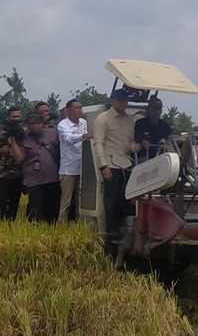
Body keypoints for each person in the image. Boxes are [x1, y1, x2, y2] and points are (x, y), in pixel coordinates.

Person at [92, 88, 145, 250]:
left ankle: (124, 229)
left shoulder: (130, 119)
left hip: (126, 163)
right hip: (111, 163)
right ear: (113, 100)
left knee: (128, 197)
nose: (124, 103)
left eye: (126, 100)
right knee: (112, 199)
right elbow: (98, 143)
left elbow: (128, 142)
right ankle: (111, 233)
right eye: (121, 100)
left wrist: (135, 146)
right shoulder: (103, 118)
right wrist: (103, 165)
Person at [9, 112, 61, 223]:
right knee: (36, 207)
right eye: (32, 123)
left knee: (53, 207)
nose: (35, 126)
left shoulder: (53, 133)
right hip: (34, 180)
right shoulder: (25, 139)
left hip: (53, 178)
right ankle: (36, 231)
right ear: (28, 125)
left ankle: (52, 229)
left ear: (42, 123)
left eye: (38, 123)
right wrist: (13, 142)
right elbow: (19, 158)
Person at [58, 98, 90, 222]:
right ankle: (61, 227)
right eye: (76, 108)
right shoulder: (62, 125)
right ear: (68, 110)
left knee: (80, 201)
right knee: (66, 202)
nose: (79, 110)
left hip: (82, 167)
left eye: (80, 107)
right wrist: (82, 136)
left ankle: (78, 227)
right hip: (68, 169)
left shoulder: (83, 122)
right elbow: (68, 139)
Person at [0, 106, 25, 221]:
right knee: (1, 201)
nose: (16, 119)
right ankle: (0, 224)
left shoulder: (24, 133)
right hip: (3, 173)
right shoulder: (2, 133)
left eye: (18, 116)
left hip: (18, 173)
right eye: (14, 116)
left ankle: (11, 223)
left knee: (14, 202)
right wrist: (1, 150)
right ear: (8, 117)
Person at [134, 96, 180, 161]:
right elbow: (137, 138)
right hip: (142, 157)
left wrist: (170, 148)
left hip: (160, 158)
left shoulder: (165, 126)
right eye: (155, 108)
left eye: (159, 108)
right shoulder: (140, 123)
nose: (157, 111)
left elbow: (168, 141)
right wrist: (143, 142)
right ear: (149, 109)